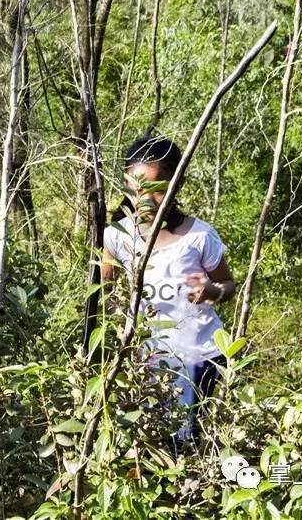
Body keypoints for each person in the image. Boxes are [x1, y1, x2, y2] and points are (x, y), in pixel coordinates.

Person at [101, 134, 235, 444]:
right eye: (137, 185)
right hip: (146, 364)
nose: (146, 196)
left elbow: (228, 285)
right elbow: (104, 293)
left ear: (178, 183)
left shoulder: (199, 236)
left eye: (158, 185)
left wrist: (212, 292)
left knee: (193, 445)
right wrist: (121, 329)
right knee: (150, 444)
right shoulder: (116, 236)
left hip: (201, 360)